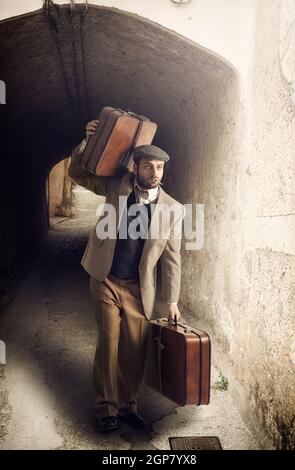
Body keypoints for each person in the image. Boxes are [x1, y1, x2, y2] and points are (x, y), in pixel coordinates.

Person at [68, 119, 185, 432]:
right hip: (105, 278)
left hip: (138, 288)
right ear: (136, 167)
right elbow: (78, 174)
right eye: (148, 167)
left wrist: (171, 300)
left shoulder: (173, 209)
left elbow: (172, 258)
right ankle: (106, 408)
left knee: (134, 349)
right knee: (109, 342)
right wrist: (86, 143)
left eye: (159, 168)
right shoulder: (116, 185)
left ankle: (127, 406)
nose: (154, 174)